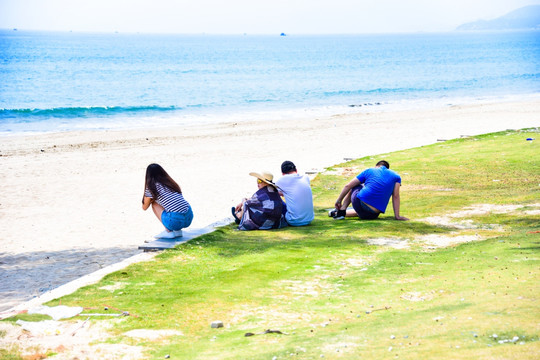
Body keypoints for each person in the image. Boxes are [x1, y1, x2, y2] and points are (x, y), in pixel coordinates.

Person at [330, 160, 408, 221]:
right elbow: (396, 196)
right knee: (363, 210)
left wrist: (339, 201)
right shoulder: (396, 176)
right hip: (373, 214)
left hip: (360, 205)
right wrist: (397, 216)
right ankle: (335, 213)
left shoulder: (369, 170)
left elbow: (348, 186)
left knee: (355, 185)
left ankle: (342, 211)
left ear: (376, 166)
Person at [142, 163, 194, 239]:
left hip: (175, 222)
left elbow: (144, 207)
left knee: (154, 204)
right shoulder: (171, 184)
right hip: (188, 218)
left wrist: (149, 195)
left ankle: (168, 232)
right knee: (171, 205)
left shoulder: (151, 187)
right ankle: (178, 231)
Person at [275, 160, 314, 226]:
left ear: (283, 174)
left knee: (273, 195)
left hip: (294, 221)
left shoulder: (283, 179)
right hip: (309, 219)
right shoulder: (305, 177)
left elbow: (272, 192)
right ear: (296, 170)